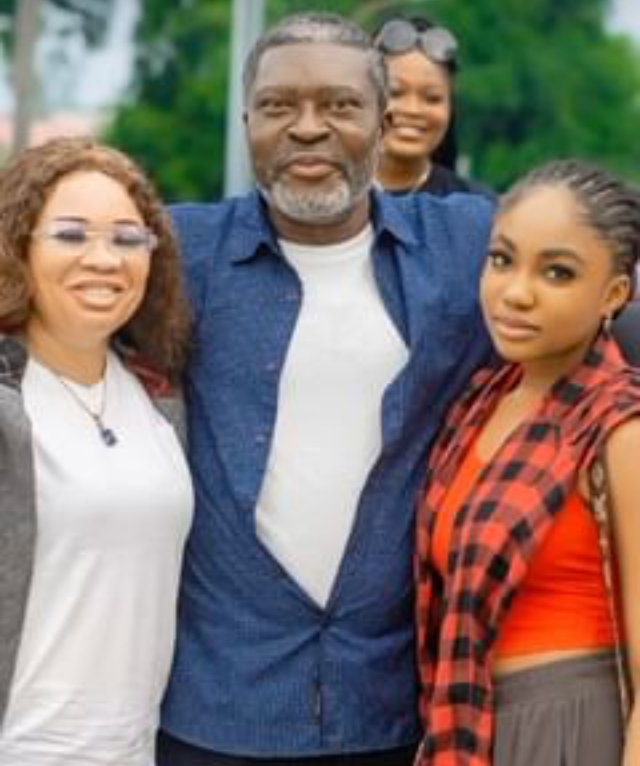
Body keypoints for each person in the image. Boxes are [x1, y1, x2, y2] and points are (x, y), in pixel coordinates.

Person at [157, 11, 494, 766]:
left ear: (384, 120)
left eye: (340, 106)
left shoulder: (465, 246)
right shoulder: (178, 254)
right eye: (279, 106)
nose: (307, 127)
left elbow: (597, 268)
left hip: (389, 710)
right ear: (247, 121)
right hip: (216, 711)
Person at [415, 159, 640, 765]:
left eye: (558, 272)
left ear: (614, 294)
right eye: (501, 260)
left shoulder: (621, 426)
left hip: (567, 726)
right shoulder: (478, 403)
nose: (516, 292)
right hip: (467, 722)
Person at [0, 136, 194, 765]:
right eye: (72, 235)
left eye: (126, 238)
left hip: (136, 751)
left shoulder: (159, 396)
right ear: (18, 249)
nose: (103, 259)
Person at [373, 16, 490, 197]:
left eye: (432, 98)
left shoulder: (478, 208)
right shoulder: (328, 200)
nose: (413, 109)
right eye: (395, 93)